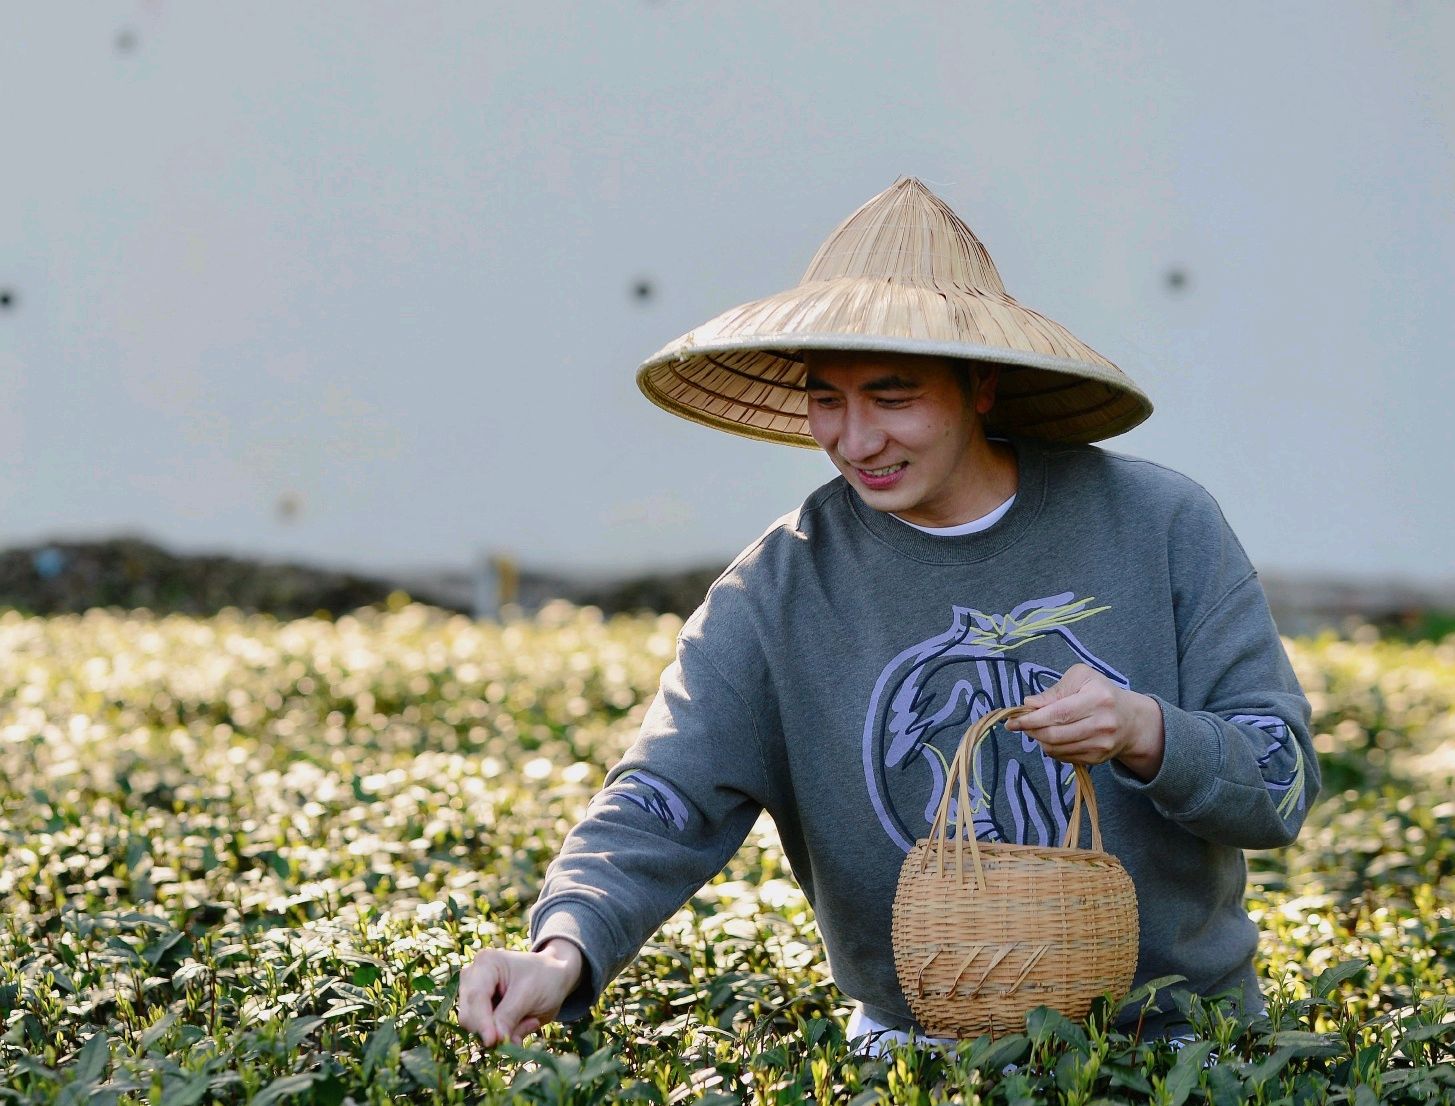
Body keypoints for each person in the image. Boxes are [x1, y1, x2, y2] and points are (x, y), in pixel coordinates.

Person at [456, 178, 1318, 1050]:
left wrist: (1144, 730)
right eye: (826, 398)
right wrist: (561, 949)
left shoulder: (1159, 526)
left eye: (892, 396)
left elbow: (1278, 784)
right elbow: (663, 794)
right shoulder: (781, 585)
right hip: (914, 1047)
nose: (854, 441)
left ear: (979, 386)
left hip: (1179, 1043)